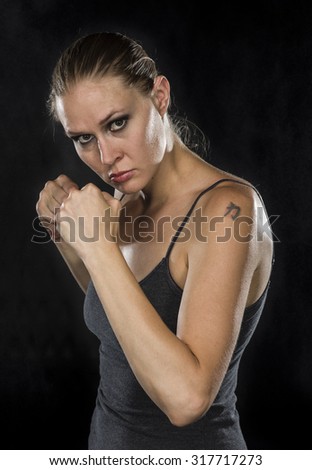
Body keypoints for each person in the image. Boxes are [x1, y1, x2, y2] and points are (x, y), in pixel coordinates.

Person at [36, 31, 274, 450]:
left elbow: (187, 399)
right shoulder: (123, 201)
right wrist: (67, 233)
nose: (106, 157)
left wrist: (96, 247)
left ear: (160, 96)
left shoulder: (229, 210)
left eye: (117, 124)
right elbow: (120, 314)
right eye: (83, 139)